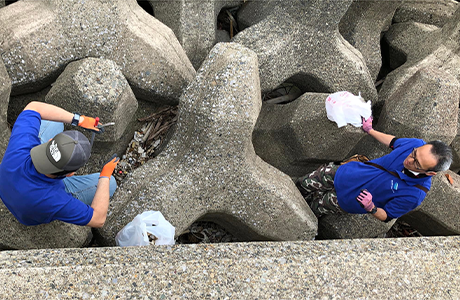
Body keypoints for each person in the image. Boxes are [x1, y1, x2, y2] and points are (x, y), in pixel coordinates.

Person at [296, 117, 452, 222]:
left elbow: (387, 216)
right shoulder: (415, 143)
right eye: (414, 153)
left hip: (349, 201)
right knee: (303, 184)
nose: (409, 160)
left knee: (314, 208)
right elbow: (393, 141)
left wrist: (371, 207)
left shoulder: (414, 194)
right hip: (346, 173)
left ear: (430, 173)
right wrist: (369, 129)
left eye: (417, 164)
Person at [0, 101, 119, 228]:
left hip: (8, 187)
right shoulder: (55, 199)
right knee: (111, 183)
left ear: (51, 141)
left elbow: (33, 107)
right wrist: (105, 175)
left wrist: (79, 120)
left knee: (54, 120)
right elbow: (98, 219)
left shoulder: (21, 146)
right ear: (70, 174)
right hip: (29, 211)